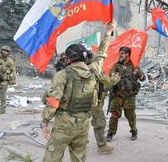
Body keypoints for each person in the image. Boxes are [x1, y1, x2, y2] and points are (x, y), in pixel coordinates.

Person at [41, 21, 115, 162]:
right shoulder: (93, 70)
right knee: (79, 158)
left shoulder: (62, 75)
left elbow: (53, 101)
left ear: (68, 59)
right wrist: (109, 33)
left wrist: (45, 123)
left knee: (52, 157)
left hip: (64, 125)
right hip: (83, 124)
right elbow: (101, 54)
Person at [106, 46, 146, 142]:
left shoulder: (134, 66)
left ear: (128, 54)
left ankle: (134, 131)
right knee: (114, 114)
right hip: (117, 96)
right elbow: (111, 73)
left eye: (122, 53)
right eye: (120, 53)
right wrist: (113, 75)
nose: (120, 55)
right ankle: (110, 132)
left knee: (130, 115)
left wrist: (139, 73)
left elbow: (143, 78)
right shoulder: (116, 66)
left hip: (129, 97)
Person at [91, 71, 120, 154]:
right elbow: (107, 81)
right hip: (93, 101)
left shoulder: (95, 68)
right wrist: (116, 78)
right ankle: (101, 145)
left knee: (83, 121)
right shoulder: (95, 68)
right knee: (100, 122)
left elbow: (103, 85)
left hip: (94, 101)